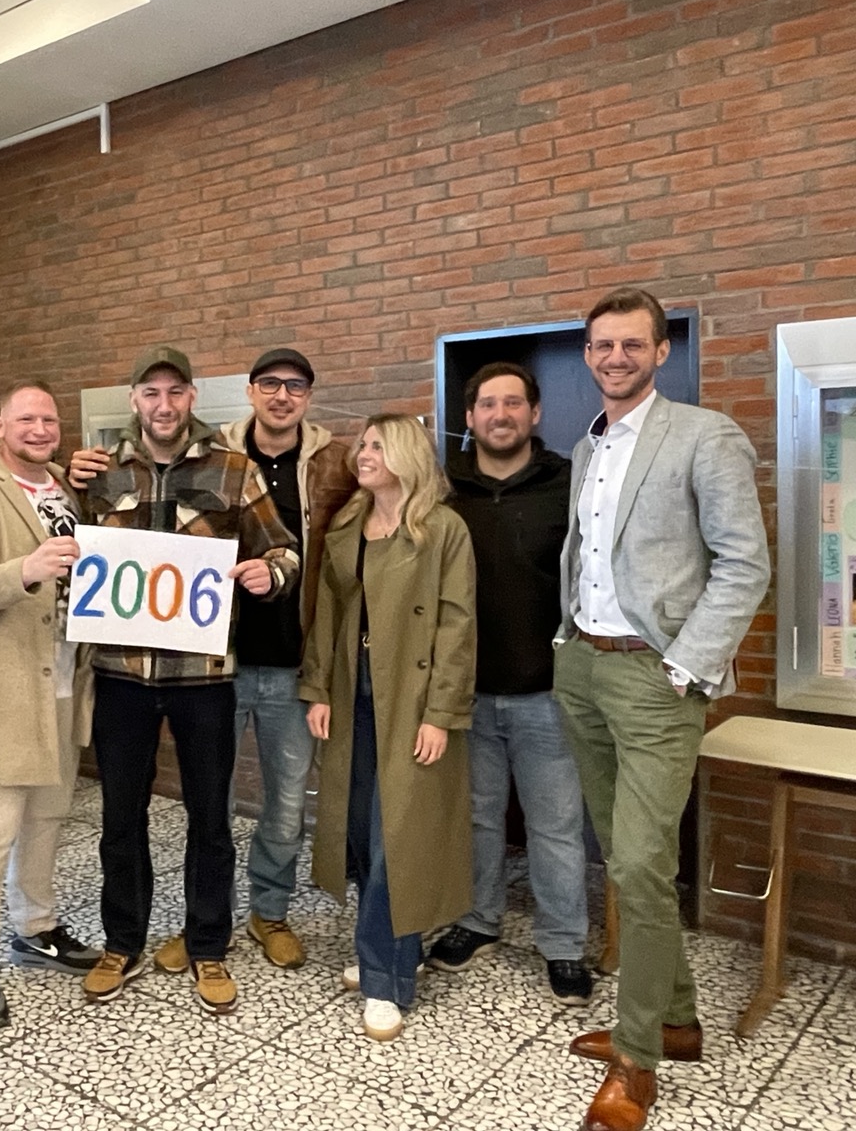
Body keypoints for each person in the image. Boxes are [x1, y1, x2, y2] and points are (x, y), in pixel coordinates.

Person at [553, 288, 769, 1131]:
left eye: (632, 344)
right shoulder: (589, 445)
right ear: (588, 354)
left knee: (642, 863)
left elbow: (744, 564)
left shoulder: (704, 436)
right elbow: (587, 555)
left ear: (661, 350)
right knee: (625, 858)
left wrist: (686, 666)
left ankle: (637, 1056)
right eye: (602, 345)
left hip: (656, 678)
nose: (616, 357)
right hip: (585, 667)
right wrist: (567, 643)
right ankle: (677, 1018)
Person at [72, 347, 355, 972]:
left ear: (192, 398)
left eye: (175, 392)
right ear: (134, 400)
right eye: (151, 393)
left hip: (203, 677)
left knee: (210, 819)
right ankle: (122, 942)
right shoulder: (102, 474)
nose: (164, 405)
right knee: (120, 819)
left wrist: (270, 575)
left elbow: (284, 551)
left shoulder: (233, 470)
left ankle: (208, 943)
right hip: (122, 675)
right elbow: (69, 552)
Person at [299, 414, 476, 1043]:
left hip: (412, 699)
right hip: (355, 695)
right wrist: (318, 688)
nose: (363, 455)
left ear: (406, 455)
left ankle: (384, 977)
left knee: (395, 838)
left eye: (377, 446)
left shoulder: (443, 529)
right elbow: (327, 614)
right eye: (363, 445)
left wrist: (441, 714)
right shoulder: (349, 524)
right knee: (359, 828)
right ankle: (391, 953)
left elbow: (456, 625)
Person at [0, 380, 102, 1031]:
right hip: (7, 688)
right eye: (25, 419)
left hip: (66, 678)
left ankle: (37, 926)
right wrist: (26, 570)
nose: (39, 429)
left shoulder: (64, 488)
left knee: (49, 816)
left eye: (49, 420)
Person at [429, 362, 593, 1006]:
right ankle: (478, 920)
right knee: (477, 818)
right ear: (470, 418)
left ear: (535, 413)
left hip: (547, 692)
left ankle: (563, 944)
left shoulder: (569, 484)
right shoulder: (444, 490)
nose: (501, 415)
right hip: (465, 693)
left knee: (556, 827)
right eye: (488, 405)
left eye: (514, 403)